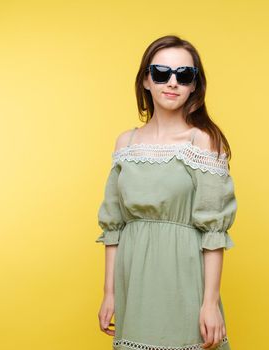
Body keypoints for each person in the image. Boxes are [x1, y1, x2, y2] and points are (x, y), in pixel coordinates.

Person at [96, 34, 238, 350]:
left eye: (183, 75)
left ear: (193, 86)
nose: (172, 82)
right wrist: (110, 293)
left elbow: (213, 230)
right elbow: (114, 226)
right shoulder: (126, 144)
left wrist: (210, 303)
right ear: (146, 80)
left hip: (185, 281)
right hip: (135, 284)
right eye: (161, 73)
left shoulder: (201, 143)